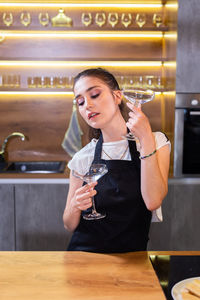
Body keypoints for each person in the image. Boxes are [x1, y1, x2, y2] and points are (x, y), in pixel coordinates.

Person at [63, 68, 170, 253]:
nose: (87, 105)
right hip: (84, 258)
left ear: (117, 96)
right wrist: (75, 205)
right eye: (80, 102)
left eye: (94, 94)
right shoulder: (83, 157)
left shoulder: (155, 141)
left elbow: (153, 201)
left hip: (132, 259)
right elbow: (69, 224)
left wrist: (144, 138)